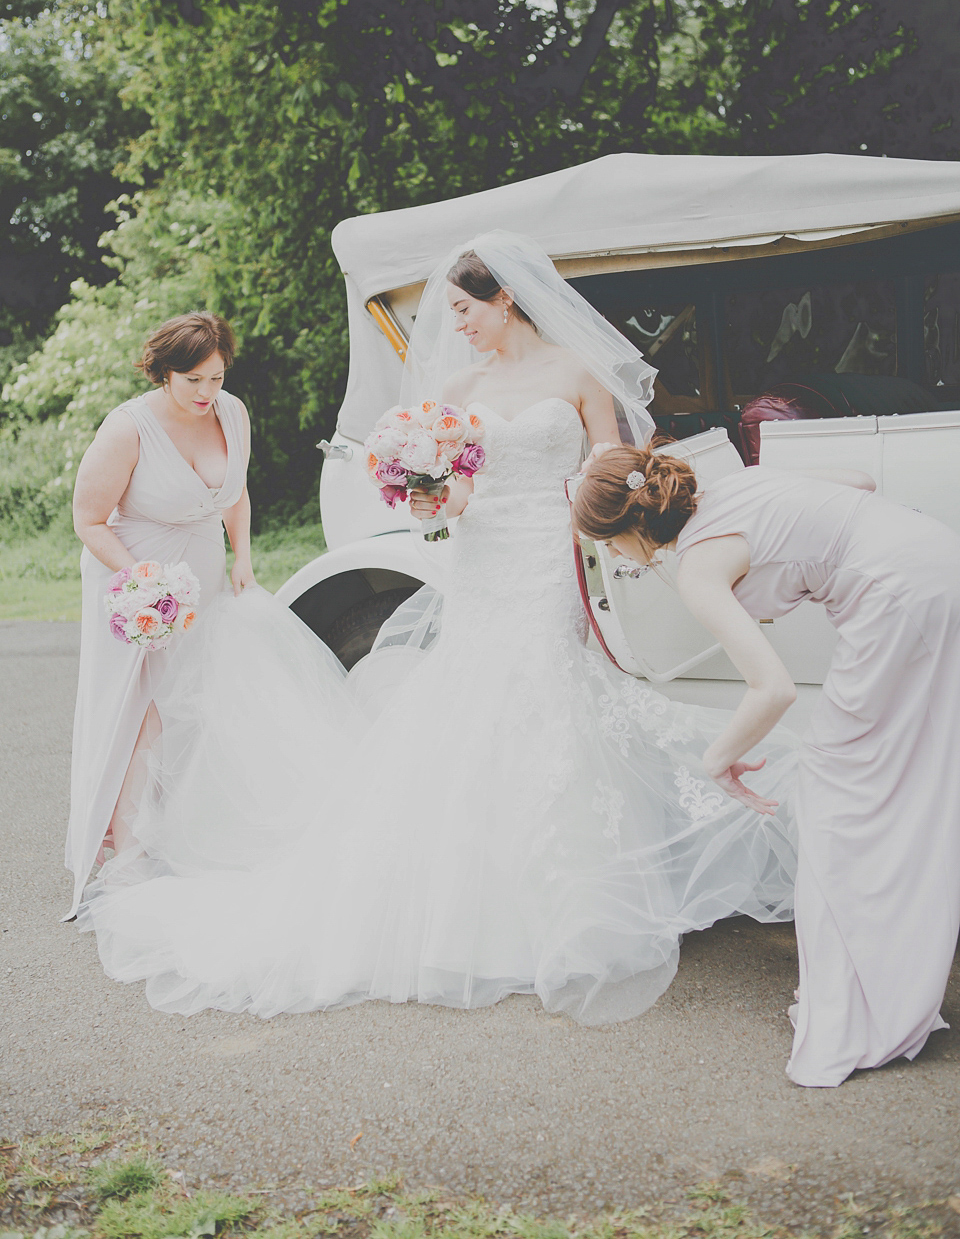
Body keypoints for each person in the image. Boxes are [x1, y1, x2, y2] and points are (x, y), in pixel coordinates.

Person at [75, 232, 801, 1024]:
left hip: (555, 558)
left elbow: (615, 471)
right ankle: (476, 898)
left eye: (463, 308)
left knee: (555, 689)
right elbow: (452, 497)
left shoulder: (576, 374)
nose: (454, 324)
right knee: (481, 694)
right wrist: (427, 498)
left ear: (506, 299)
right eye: (449, 311)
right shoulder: (459, 386)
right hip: (489, 560)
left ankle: (579, 881)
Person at [572, 443, 960, 1086]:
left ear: (636, 528)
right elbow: (858, 480)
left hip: (898, 602)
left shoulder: (698, 567)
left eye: (608, 545)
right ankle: (885, 976)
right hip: (936, 555)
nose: (613, 558)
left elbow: (772, 689)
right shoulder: (736, 484)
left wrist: (716, 760)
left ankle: (861, 1004)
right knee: (897, 780)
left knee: (837, 795)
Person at [65, 311, 253, 919]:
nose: (206, 393)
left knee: (192, 704)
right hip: (135, 580)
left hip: (202, 571)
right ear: (164, 373)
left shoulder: (233, 413)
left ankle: (180, 834)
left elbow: (237, 493)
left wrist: (243, 560)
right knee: (141, 712)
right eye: (193, 380)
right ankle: (127, 851)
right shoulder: (129, 429)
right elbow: (89, 521)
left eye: (216, 378)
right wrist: (139, 579)